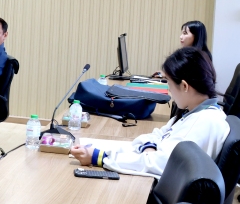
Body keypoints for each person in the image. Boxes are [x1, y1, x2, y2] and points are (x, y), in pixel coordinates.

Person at [71, 47, 229, 178]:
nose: (169, 90)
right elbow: (158, 135)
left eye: (169, 84)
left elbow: (156, 164)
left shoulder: (202, 123)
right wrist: (149, 148)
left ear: (184, 86)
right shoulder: (197, 112)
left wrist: (99, 157)